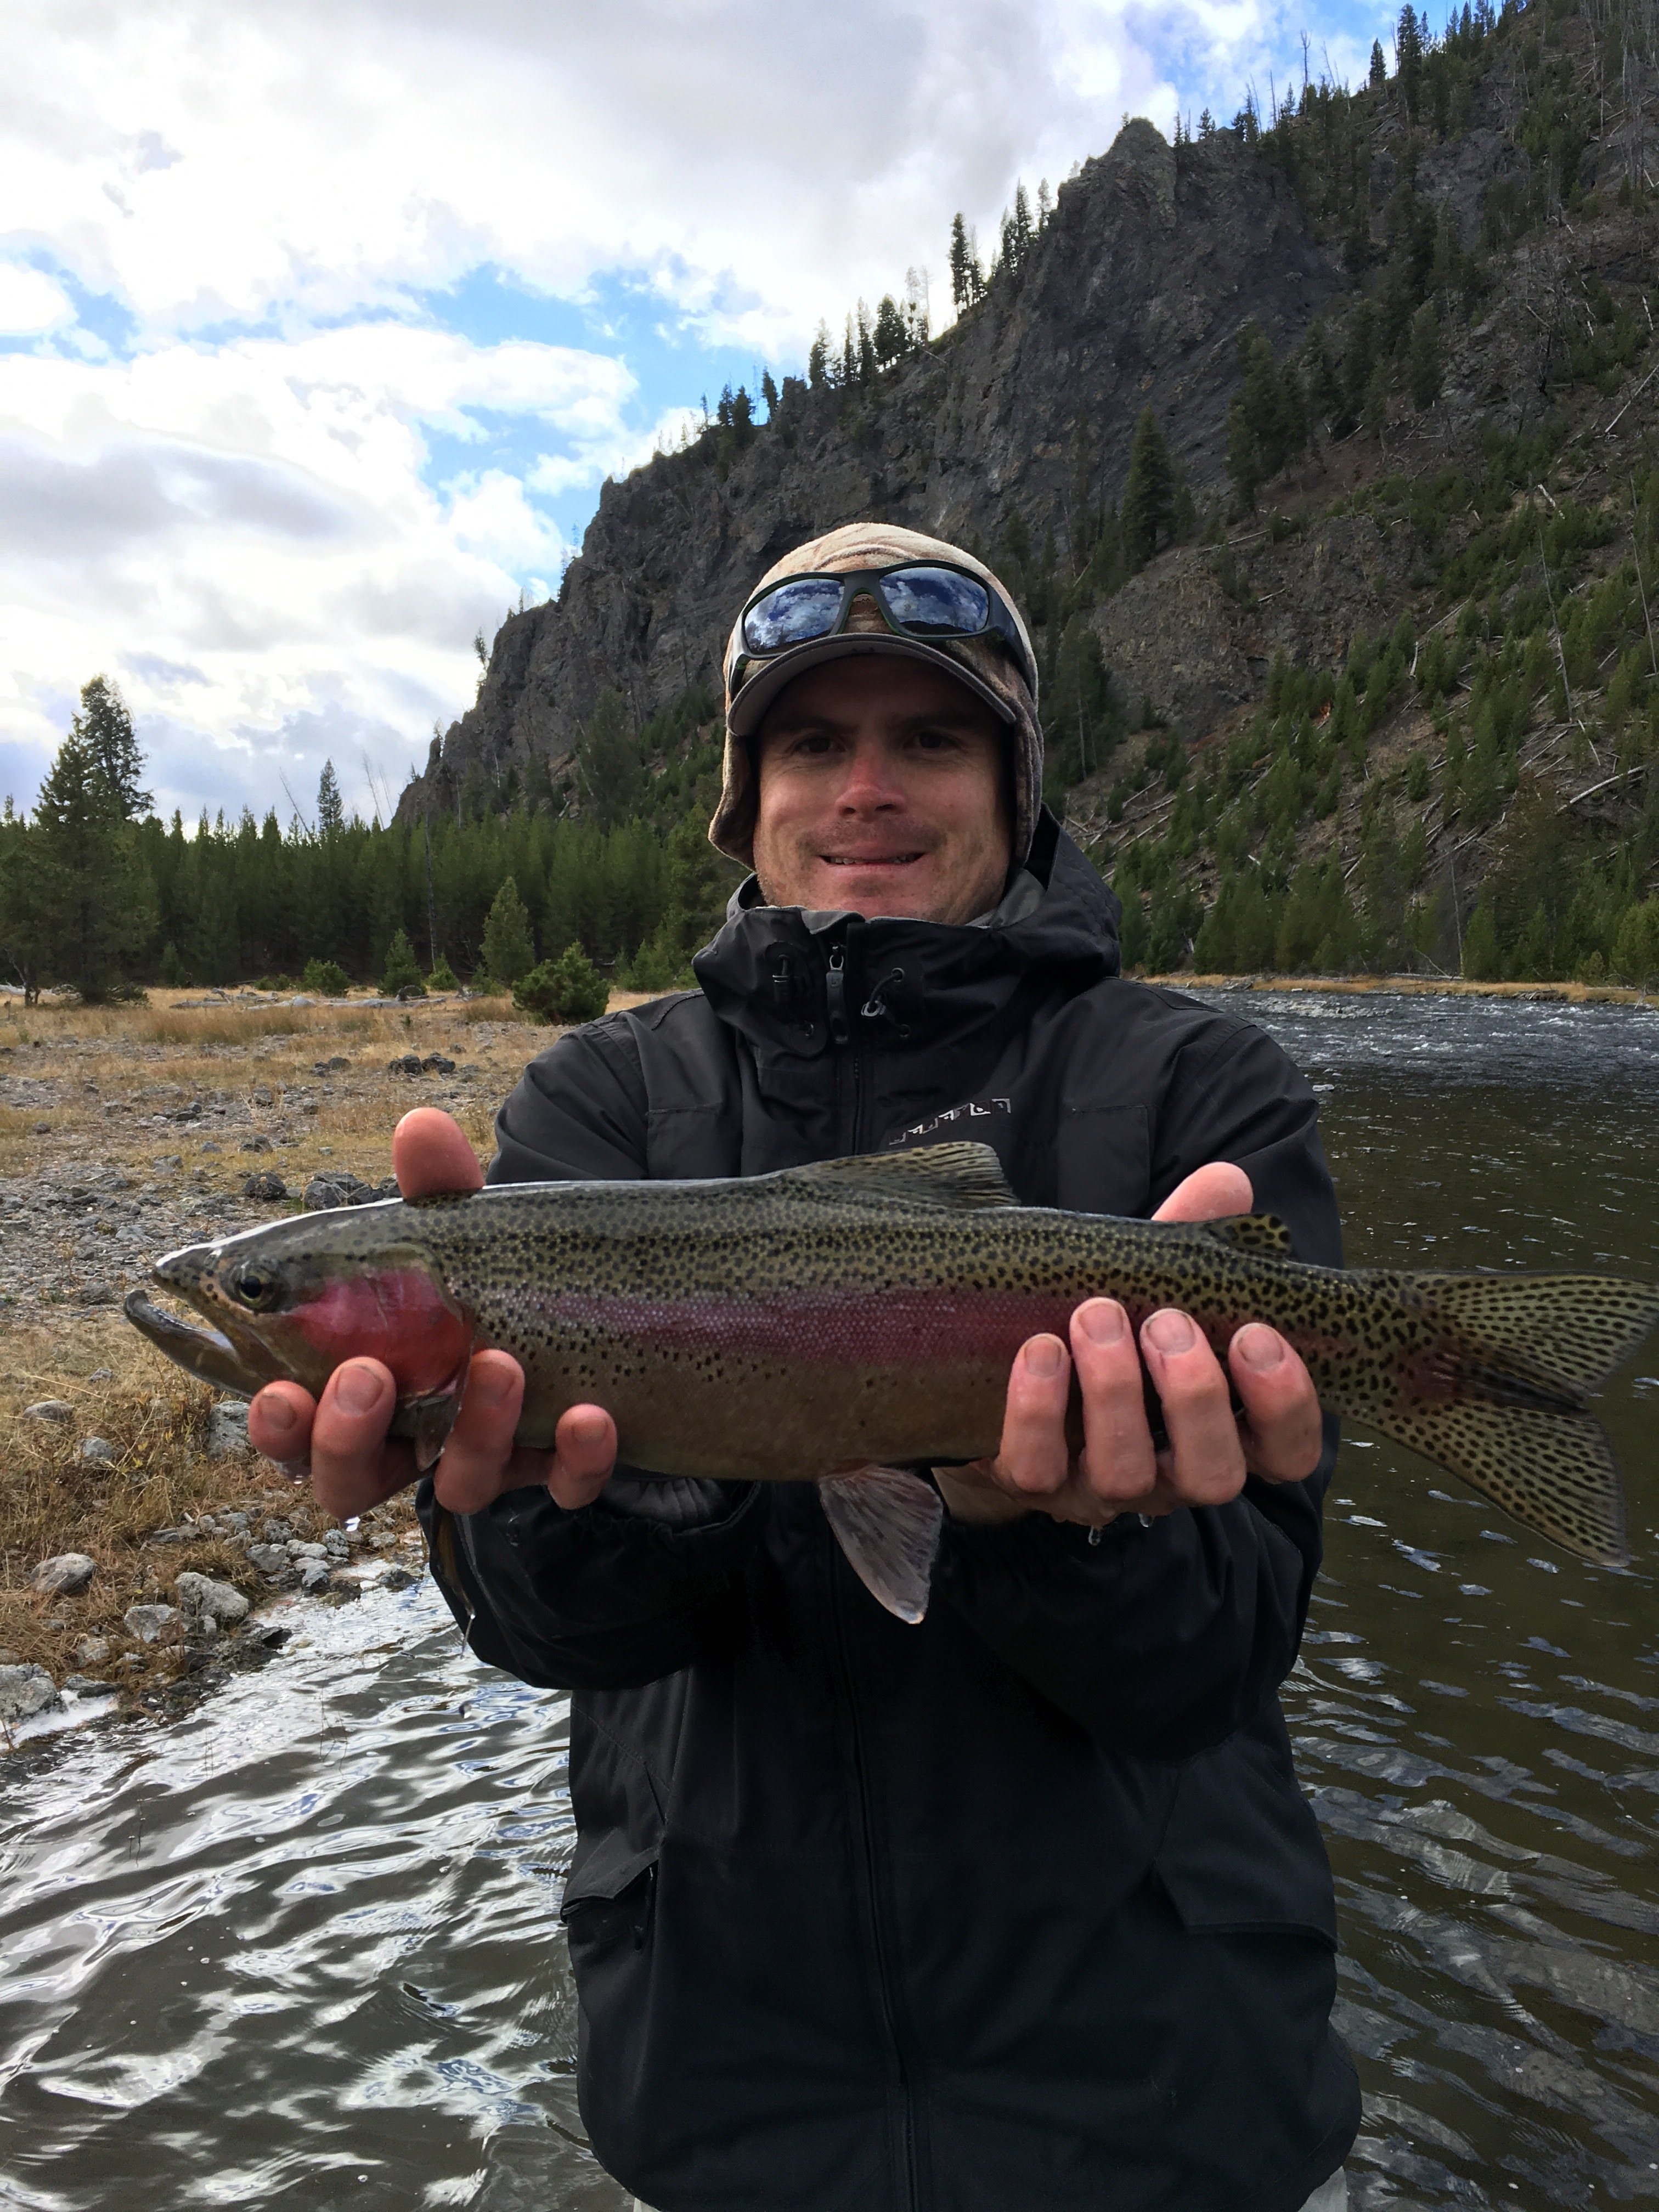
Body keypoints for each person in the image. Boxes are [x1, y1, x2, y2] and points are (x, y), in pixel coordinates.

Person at [249, 523, 1361, 2212]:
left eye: (929, 737)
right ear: (742, 797)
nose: (867, 789)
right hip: (729, 2090)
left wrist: (1044, 1519)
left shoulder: (1199, 1093)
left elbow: (1227, 1651)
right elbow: (554, 1632)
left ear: (1017, 784)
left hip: (1161, 2094)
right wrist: (531, 1512)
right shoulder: (597, 1107)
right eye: (812, 742)